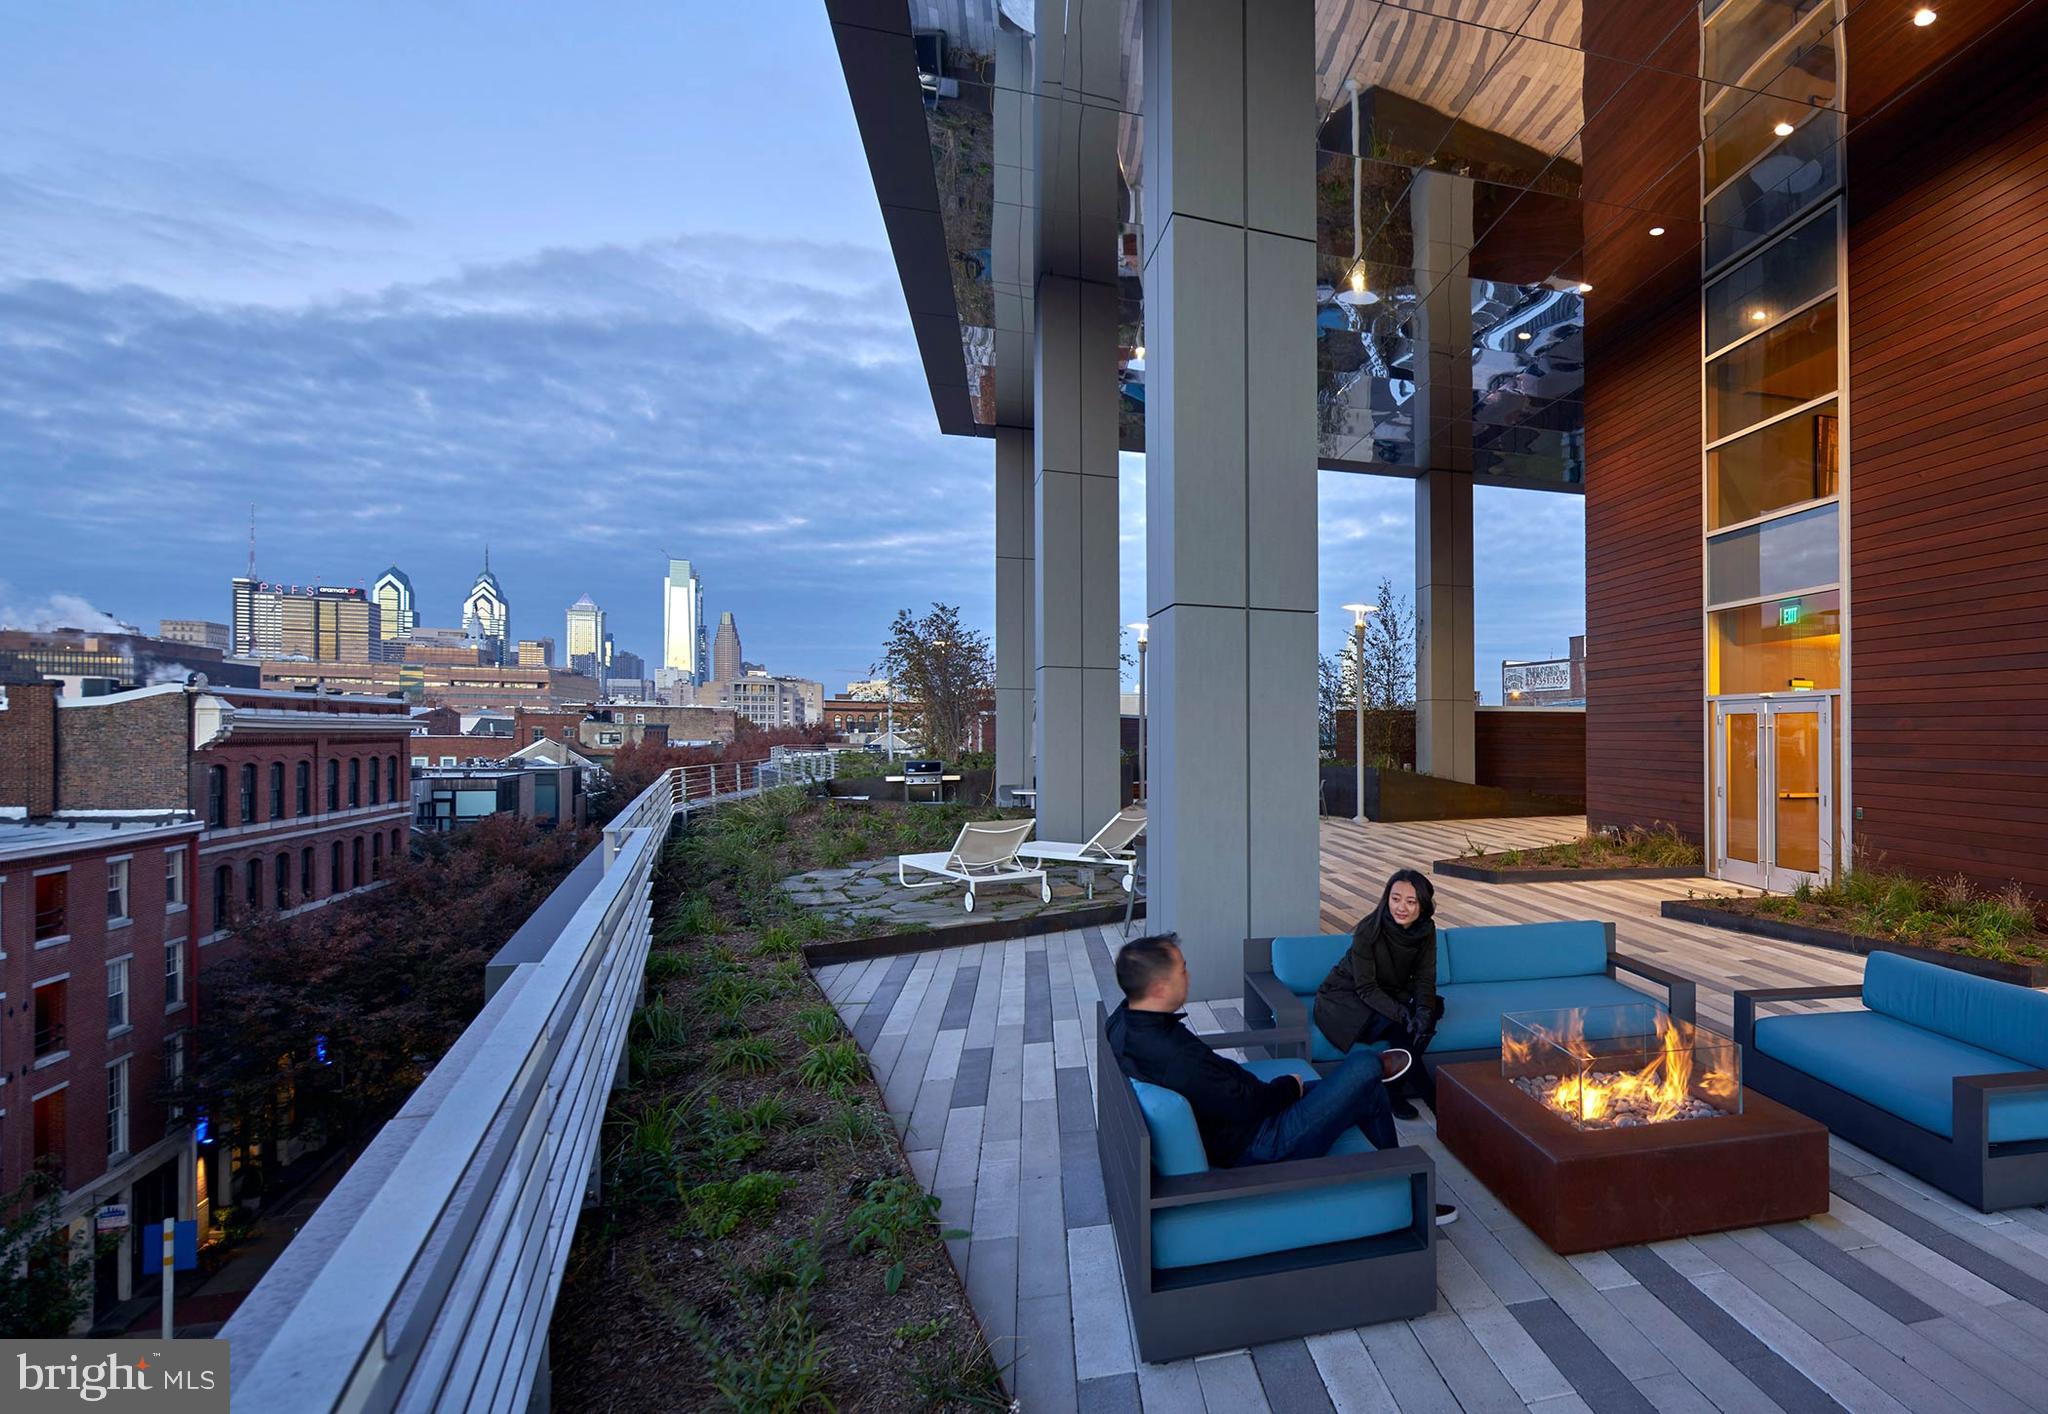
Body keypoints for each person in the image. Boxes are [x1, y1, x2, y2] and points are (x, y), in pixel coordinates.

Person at [1105, 932, 1456, 1224]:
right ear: (1159, 989)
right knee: (1364, 1065)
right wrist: (1289, 1086)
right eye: (1183, 970)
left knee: (1368, 1090)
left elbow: (1228, 1091)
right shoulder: (1175, 1056)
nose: (1189, 975)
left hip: (1247, 1118)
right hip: (1264, 1143)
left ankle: (1398, 1192)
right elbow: (1246, 1103)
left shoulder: (1125, 1022)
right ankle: (1399, 1174)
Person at [1313, 868, 1443, 1120]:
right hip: (1346, 999)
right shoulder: (1368, 930)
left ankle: (1392, 1086)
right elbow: (1366, 988)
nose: (1401, 907)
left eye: (1410, 901)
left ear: (1423, 905)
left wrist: (1423, 1013)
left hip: (1388, 994)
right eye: (1395, 899)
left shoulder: (1426, 930)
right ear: (1387, 899)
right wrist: (1403, 1014)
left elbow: (1426, 978)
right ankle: (1434, 1101)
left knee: (1432, 1011)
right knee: (1400, 1027)